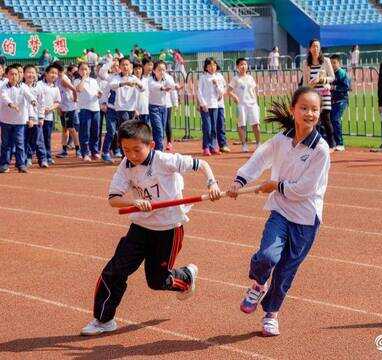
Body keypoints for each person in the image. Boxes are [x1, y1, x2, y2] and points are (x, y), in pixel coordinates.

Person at [80, 120, 221, 336]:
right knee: (114, 271)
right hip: (140, 228)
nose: (132, 155)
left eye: (137, 149)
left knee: (156, 281)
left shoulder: (165, 161)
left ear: (151, 145)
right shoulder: (125, 166)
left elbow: (202, 165)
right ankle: (103, 319)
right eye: (126, 150)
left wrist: (212, 184)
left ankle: (185, 277)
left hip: (168, 229)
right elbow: (113, 199)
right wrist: (134, 203)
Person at [227, 87, 330, 337]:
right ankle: (259, 283)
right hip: (281, 211)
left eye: (314, 109)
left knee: (285, 271)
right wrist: (240, 180)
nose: (309, 113)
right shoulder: (281, 139)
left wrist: (275, 185)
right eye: (304, 108)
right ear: (294, 110)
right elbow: (259, 159)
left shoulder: (320, 149)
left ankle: (271, 314)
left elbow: (305, 189)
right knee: (266, 257)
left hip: (306, 218)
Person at [0, 65, 38, 173]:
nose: (14, 76)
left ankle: (21, 164)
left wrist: (33, 101)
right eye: (11, 74)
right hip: (6, 120)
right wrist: (11, 104)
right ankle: (4, 164)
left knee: (20, 143)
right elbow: (4, 97)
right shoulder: (3, 87)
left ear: (19, 75)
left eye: (16, 74)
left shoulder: (23, 87)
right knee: (6, 143)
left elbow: (29, 95)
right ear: (7, 75)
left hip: (20, 121)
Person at [301, 38, 336, 151]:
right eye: (314, 46)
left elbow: (332, 77)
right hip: (313, 96)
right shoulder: (306, 63)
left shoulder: (325, 61)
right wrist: (307, 89)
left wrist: (321, 80)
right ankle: (316, 144)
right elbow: (305, 82)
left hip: (324, 94)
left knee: (326, 119)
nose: (316, 48)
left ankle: (332, 144)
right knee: (314, 120)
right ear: (310, 48)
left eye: (317, 46)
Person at [229, 57, 261, 152]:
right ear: (237, 67)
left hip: (252, 104)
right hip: (241, 105)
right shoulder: (235, 79)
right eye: (241, 65)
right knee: (241, 125)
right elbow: (229, 91)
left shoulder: (250, 78)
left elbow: (254, 91)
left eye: (245, 64)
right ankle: (244, 144)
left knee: (256, 124)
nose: (243, 66)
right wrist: (235, 97)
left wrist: (256, 103)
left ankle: (258, 143)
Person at [197, 57, 227, 156]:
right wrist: (203, 104)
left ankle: (213, 146)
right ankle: (206, 147)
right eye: (209, 65)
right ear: (206, 67)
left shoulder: (218, 77)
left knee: (214, 128)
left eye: (214, 65)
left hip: (215, 106)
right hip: (205, 106)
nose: (212, 67)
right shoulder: (203, 78)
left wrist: (217, 84)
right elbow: (199, 92)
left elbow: (221, 92)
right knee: (207, 127)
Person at [74, 62, 103, 162]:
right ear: (78, 71)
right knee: (85, 132)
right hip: (84, 109)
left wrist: (99, 94)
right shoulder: (77, 81)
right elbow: (79, 89)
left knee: (95, 132)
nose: (84, 71)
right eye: (82, 69)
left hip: (96, 109)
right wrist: (83, 78)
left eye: (86, 69)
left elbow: (99, 93)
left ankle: (94, 151)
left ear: (90, 70)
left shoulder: (94, 81)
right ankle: (85, 153)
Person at [22, 65, 48, 168]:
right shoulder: (21, 86)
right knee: (26, 139)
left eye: (33, 72)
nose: (31, 75)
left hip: (36, 118)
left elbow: (42, 103)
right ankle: (28, 158)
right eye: (28, 72)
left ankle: (43, 159)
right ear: (23, 74)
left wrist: (41, 117)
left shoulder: (39, 87)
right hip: (23, 118)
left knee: (39, 139)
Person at [148, 60, 175, 151]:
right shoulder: (150, 80)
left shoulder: (166, 79)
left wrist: (175, 86)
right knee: (159, 130)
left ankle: (156, 151)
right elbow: (153, 86)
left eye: (163, 70)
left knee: (161, 132)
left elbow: (172, 85)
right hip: (154, 108)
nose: (162, 72)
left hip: (164, 108)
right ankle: (159, 152)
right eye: (159, 70)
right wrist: (163, 88)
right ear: (154, 71)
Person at [39, 65, 62, 166]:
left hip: (48, 117)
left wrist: (51, 108)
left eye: (56, 73)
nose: (54, 75)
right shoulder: (39, 85)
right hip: (37, 117)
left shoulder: (55, 88)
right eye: (52, 72)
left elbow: (57, 102)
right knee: (35, 138)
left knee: (47, 138)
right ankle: (30, 157)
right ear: (46, 73)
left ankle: (47, 157)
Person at [329, 55, 350, 152]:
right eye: (331, 63)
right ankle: (331, 142)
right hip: (331, 100)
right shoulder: (329, 73)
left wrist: (335, 88)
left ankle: (340, 143)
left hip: (341, 100)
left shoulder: (341, 73)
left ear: (339, 63)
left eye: (334, 63)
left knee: (335, 119)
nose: (332, 65)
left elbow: (347, 87)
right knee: (329, 120)